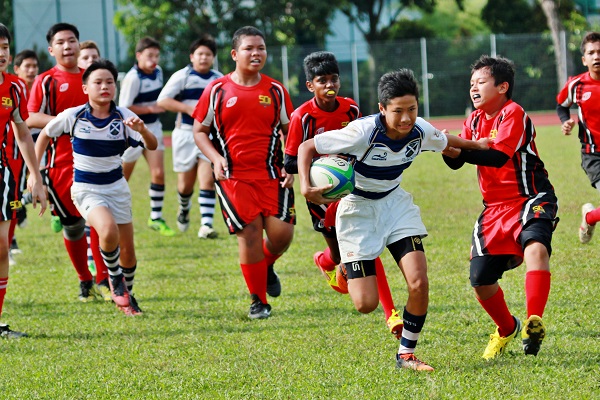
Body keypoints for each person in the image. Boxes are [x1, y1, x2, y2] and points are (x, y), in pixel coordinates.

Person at [297, 68, 489, 371]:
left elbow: (446, 140)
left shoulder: (419, 129)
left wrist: (480, 144)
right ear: (382, 109)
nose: (405, 118)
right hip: (357, 210)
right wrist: (306, 187)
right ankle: (340, 269)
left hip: (395, 205)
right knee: (366, 304)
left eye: (411, 109)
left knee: (419, 282)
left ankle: (406, 354)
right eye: (397, 111)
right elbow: (306, 147)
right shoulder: (362, 132)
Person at [442, 55, 558, 360]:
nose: (474, 88)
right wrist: (444, 145)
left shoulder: (513, 113)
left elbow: (496, 157)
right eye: (471, 84)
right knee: (480, 280)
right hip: (493, 209)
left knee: (536, 248)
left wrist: (462, 147)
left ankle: (534, 321)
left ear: (503, 86)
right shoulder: (473, 120)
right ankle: (507, 328)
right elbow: (454, 162)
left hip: (531, 198)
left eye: (481, 82)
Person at [284, 51, 403, 339]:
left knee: (364, 244)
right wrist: (325, 168)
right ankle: (326, 261)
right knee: (339, 253)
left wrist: (347, 168)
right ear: (310, 85)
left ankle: (392, 315)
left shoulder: (350, 109)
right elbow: (289, 161)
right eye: (322, 80)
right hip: (320, 194)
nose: (330, 85)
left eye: (334, 79)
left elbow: (363, 140)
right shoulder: (302, 116)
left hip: (350, 190)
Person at [35, 59, 157, 315]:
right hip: (86, 188)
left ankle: (128, 297)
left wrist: (143, 130)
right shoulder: (74, 116)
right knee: (107, 230)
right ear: (85, 88)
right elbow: (45, 134)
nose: (104, 87)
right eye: (98, 82)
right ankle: (114, 278)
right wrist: (34, 173)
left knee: (129, 252)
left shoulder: (125, 117)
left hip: (117, 187)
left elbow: (153, 145)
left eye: (109, 82)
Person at [193, 26, 294, 319]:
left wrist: (290, 166)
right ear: (235, 54)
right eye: (249, 48)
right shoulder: (217, 90)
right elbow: (199, 131)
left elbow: (291, 131)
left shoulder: (276, 90)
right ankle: (258, 302)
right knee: (249, 234)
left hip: (272, 174)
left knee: (282, 235)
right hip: (233, 176)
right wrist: (214, 158)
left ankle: (266, 265)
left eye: (261, 48)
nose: (256, 53)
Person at [28, 22, 110, 302]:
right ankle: (84, 280)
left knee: (99, 220)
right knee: (73, 225)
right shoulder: (46, 80)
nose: (68, 46)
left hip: (95, 161)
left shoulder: (93, 78)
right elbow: (31, 117)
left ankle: (104, 279)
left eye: (72, 40)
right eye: (61, 42)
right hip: (60, 165)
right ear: (52, 49)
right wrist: (66, 122)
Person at [0, 22, 47, 338]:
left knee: (1, 251)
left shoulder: (14, 86)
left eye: (4, 47)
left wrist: (35, 174)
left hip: (3, 174)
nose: (1, 53)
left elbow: (22, 132)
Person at [157, 34, 222, 239]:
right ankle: (184, 208)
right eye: (200, 54)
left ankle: (206, 225)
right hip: (184, 134)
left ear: (213, 58)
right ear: (192, 56)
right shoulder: (182, 76)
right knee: (185, 185)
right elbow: (163, 101)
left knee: (207, 179)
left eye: (208, 54)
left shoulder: (217, 79)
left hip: (209, 136)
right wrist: (188, 108)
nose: (204, 58)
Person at [119, 36, 174, 236]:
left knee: (158, 173)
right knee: (121, 178)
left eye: (157, 55)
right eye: (149, 55)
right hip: (133, 131)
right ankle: (114, 213)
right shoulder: (133, 77)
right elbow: (124, 106)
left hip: (154, 129)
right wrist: (151, 108)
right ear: (139, 55)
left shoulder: (158, 72)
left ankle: (156, 217)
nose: (154, 60)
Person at [556, 31, 600, 244]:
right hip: (594, 155)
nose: (596, 56)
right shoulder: (576, 85)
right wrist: (565, 121)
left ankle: (590, 217)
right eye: (591, 53)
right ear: (584, 60)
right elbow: (562, 105)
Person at [10, 49, 40, 258]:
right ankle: (10, 241)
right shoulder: (13, 88)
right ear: (17, 68)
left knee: (22, 193)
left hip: (32, 149)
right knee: (11, 196)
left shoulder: (39, 89)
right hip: (10, 152)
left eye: (34, 66)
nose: (31, 70)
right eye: (26, 67)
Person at [77, 39, 102, 276]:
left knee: (98, 216)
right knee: (77, 221)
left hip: (102, 164)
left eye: (94, 57)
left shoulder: (105, 88)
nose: (90, 62)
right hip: (71, 164)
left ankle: (96, 262)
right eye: (85, 58)